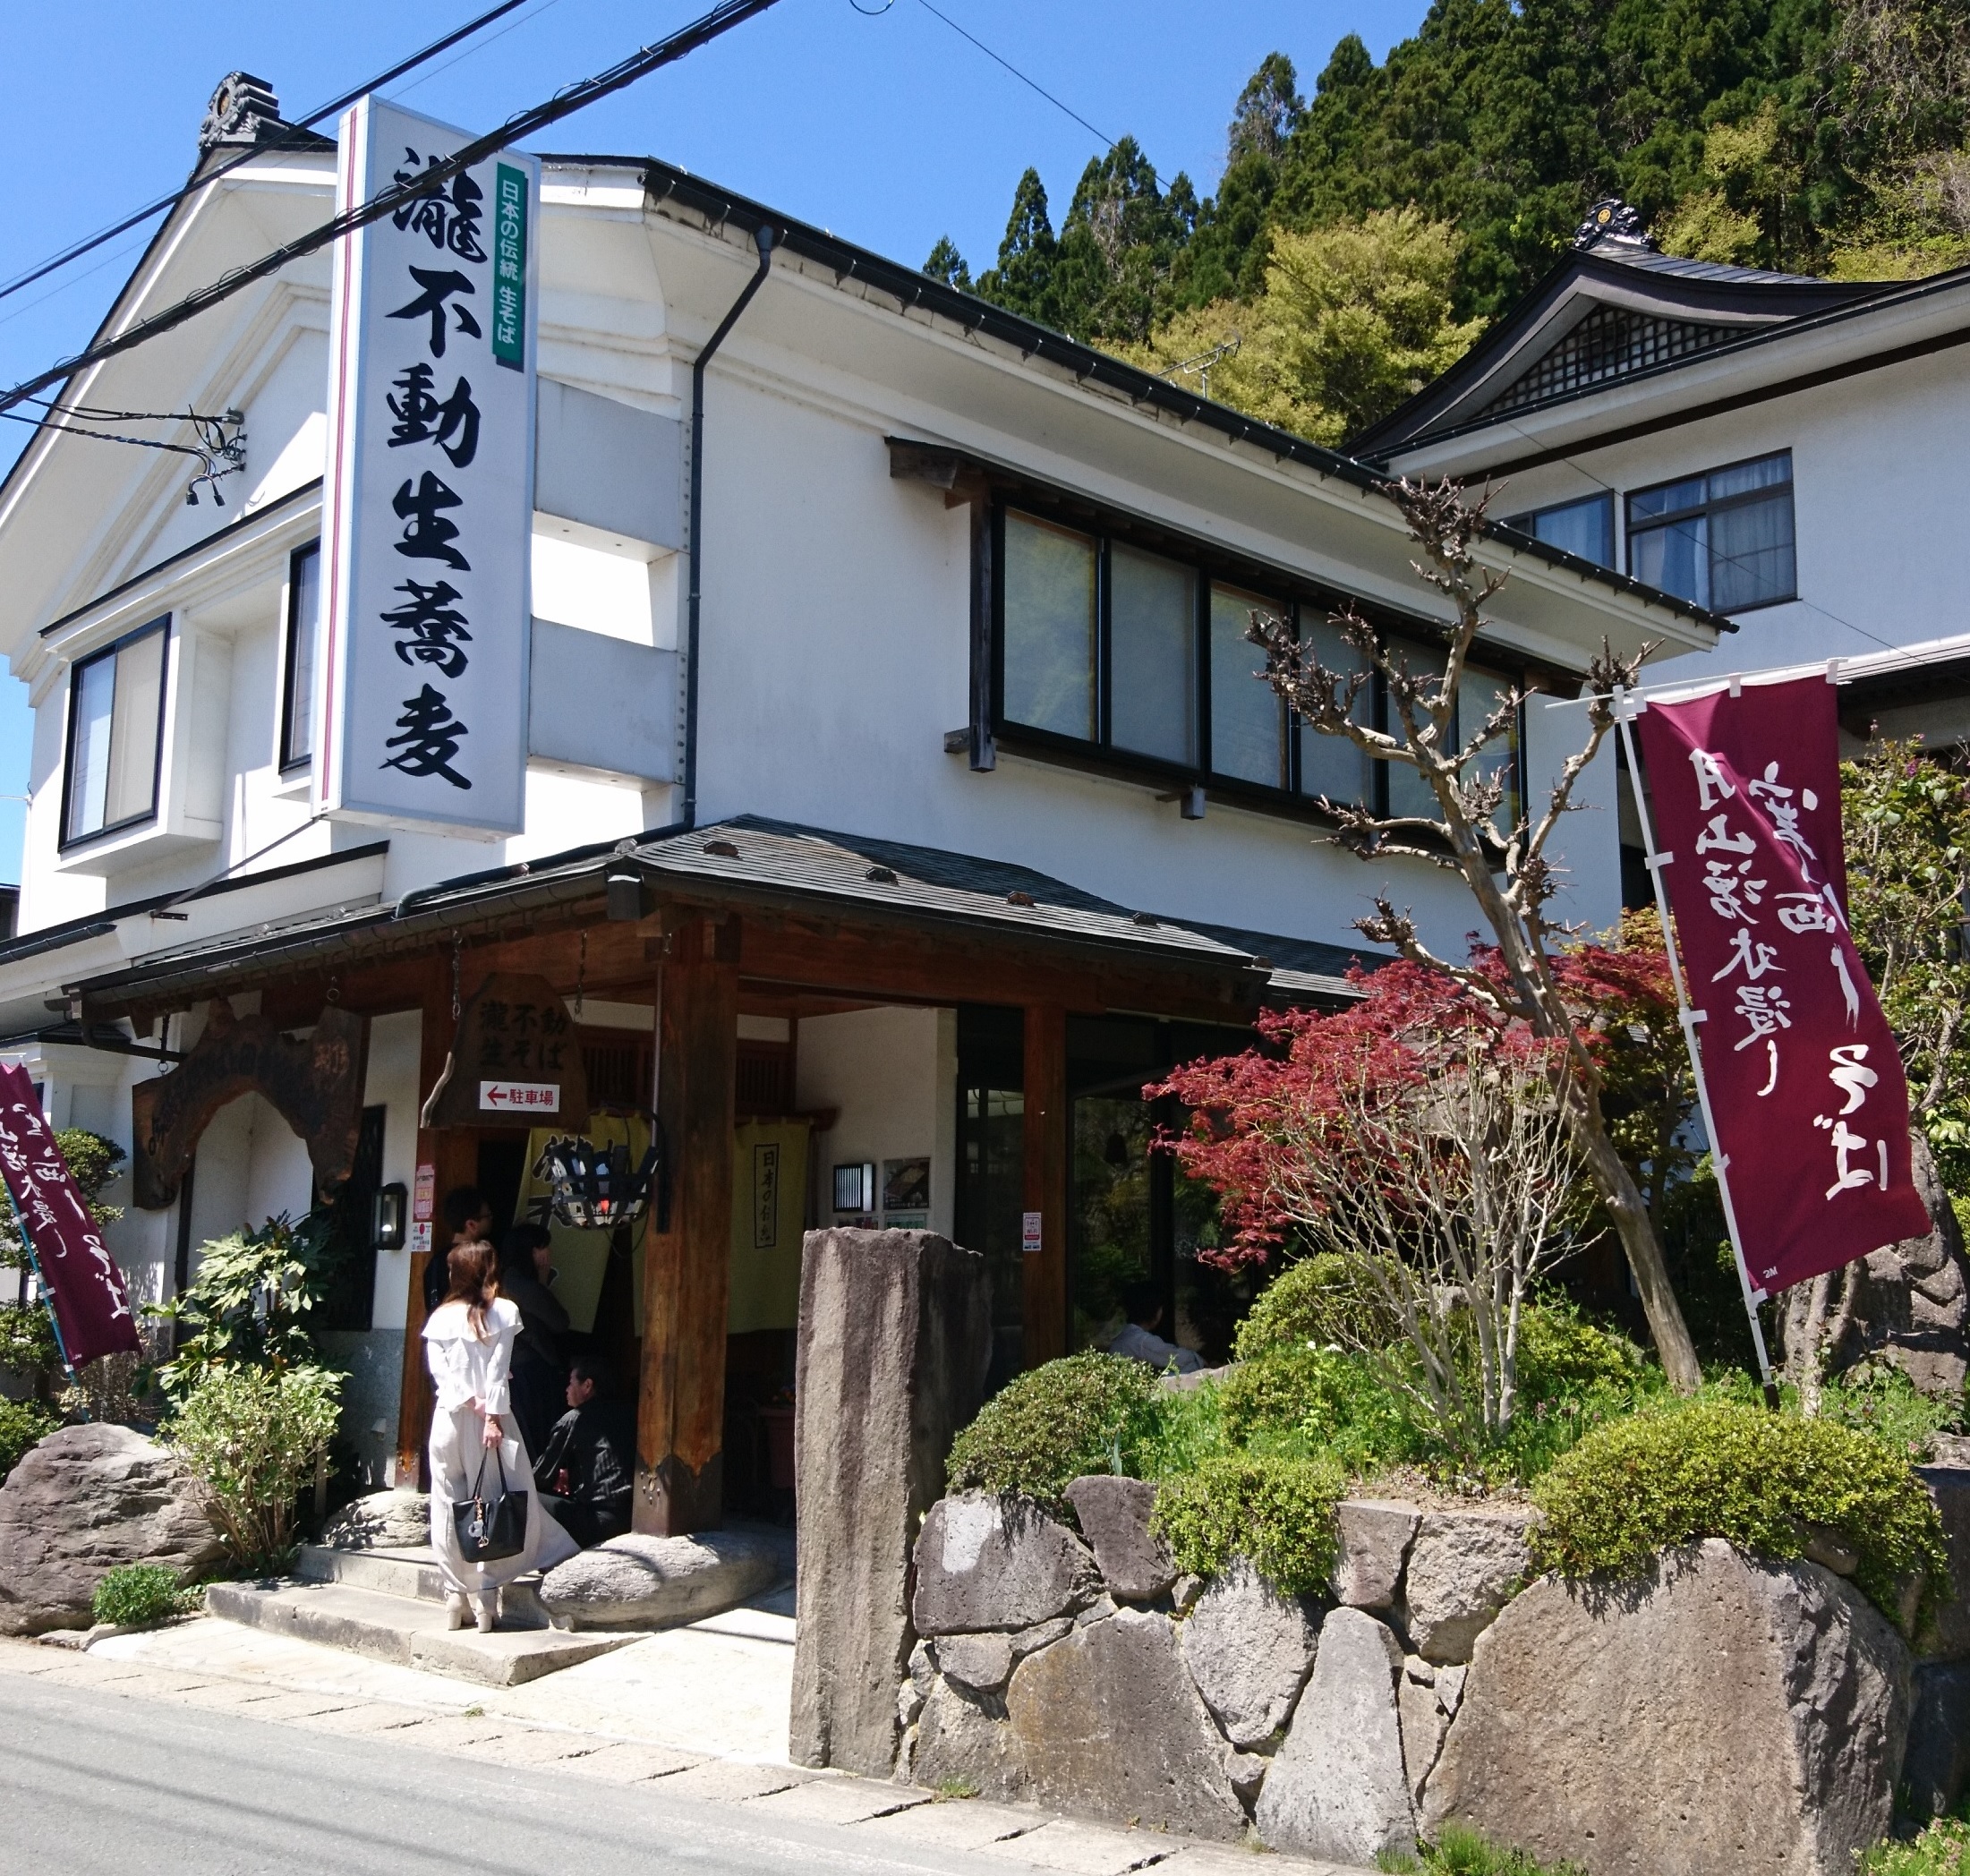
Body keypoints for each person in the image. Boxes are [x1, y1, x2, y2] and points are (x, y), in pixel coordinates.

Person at [422, 1240, 576, 1631]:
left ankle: (454, 1597)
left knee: (447, 1504)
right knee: (496, 1501)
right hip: (488, 1421)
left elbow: (439, 1374)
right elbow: (497, 1368)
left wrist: (465, 1400)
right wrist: (490, 1413)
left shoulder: (440, 1316)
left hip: (447, 1419)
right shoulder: (504, 1311)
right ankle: (486, 1600)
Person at [533, 1355, 635, 1548]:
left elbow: (540, 1478)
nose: (567, 1389)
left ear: (587, 1385)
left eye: (571, 1383)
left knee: (528, 1498)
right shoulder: (631, 1412)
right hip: (632, 1516)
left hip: (597, 1521)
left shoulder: (574, 1419)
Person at [498, 1221, 569, 1459]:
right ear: (530, 1251)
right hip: (530, 1367)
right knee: (537, 1433)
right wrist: (542, 1280)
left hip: (514, 1366)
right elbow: (559, 1321)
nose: (548, 1253)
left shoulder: (505, 1280)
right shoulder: (523, 1286)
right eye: (542, 1247)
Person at [423, 1185, 494, 1315]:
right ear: (471, 1225)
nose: (491, 1219)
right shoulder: (484, 1259)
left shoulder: (435, 1262)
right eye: (488, 1215)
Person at [1107, 1281, 1204, 1375]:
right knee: (1193, 1365)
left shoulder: (1125, 1337)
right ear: (1154, 1311)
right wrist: (1199, 1359)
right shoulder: (1142, 1341)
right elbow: (1177, 1358)